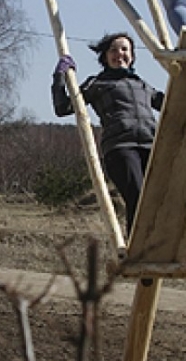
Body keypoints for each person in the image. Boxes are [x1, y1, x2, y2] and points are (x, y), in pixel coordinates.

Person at [52, 32, 163, 232]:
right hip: (121, 147)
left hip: (151, 145)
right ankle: (137, 246)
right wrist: (60, 76)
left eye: (124, 49)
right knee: (137, 197)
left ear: (132, 56)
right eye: (113, 50)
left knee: (158, 201)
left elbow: (173, 104)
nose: (119, 54)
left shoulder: (143, 85)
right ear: (105, 56)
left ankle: (157, 244)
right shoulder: (97, 84)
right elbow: (63, 107)